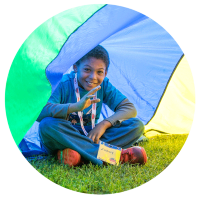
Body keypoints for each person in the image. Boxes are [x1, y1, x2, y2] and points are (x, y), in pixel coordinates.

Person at [37, 45, 147, 167]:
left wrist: (104, 124)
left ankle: (79, 157)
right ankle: (113, 156)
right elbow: (38, 113)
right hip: (65, 136)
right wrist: (74, 107)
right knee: (46, 125)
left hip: (91, 135)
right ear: (75, 67)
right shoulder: (63, 84)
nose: (93, 77)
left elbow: (129, 108)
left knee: (136, 125)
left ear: (105, 73)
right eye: (87, 70)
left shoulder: (103, 85)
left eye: (99, 72)